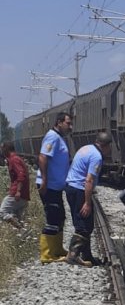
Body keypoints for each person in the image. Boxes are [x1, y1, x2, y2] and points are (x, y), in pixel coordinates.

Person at [65, 131, 113, 266]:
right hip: (79, 189)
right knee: (84, 225)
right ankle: (73, 254)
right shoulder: (97, 157)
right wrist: (87, 202)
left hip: (71, 187)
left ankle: (87, 256)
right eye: (110, 146)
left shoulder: (86, 148)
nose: (110, 150)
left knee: (83, 222)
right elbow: (89, 180)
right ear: (105, 145)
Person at [35, 112, 73, 263]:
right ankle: (46, 254)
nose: (70, 126)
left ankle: (57, 249)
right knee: (52, 217)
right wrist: (44, 180)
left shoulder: (59, 138)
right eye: (68, 123)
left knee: (60, 216)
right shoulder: (52, 137)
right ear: (59, 122)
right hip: (49, 185)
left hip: (56, 186)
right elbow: (43, 157)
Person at [0, 142, 30, 227]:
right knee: (18, 218)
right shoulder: (16, 158)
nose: (1, 151)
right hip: (23, 194)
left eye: (2, 149)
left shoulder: (14, 159)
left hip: (17, 193)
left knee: (2, 212)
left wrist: (18, 191)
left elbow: (21, 175)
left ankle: (17, 225)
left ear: (6, 149)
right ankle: (22, 231)